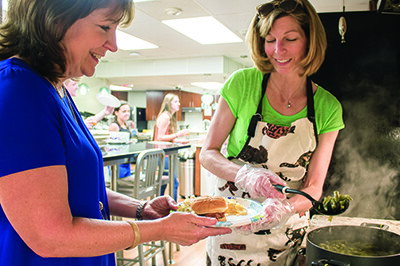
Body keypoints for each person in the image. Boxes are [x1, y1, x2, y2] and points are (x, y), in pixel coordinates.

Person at [0, 1, 231, 265]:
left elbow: (73, 187)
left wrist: (140, 209)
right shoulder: (19, 91)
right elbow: (50, 235)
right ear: (55, 20)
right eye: (105, 27)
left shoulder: (55, 88)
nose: (113, 45)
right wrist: (161, 229)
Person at [200, 0, 345, 265]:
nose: (277, 51)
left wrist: (284, 208)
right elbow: (207, 154)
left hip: (284, 234)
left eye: (290, 39)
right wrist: (244, 174)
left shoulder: (328, 107)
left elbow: (313, 187)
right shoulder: (242, 84)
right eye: (269, 40)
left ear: (310, 41)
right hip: (233, 225)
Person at [153, 93, 190, 201]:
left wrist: (177, 141)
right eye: (176, 102)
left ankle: (158, 205)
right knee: (174, 182)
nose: (179, 104)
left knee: (163, 183)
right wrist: (179, 134)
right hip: (164, 155)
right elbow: (160, 137)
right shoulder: (165, 117)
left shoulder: (168, 116)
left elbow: (165, 137)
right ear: (168, 103)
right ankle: (172, 208)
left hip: (165, 154)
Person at [108, 101, 136, 178]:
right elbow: (112, 144)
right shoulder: (114, 126)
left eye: (128, 111)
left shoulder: (126, 126)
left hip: (126, 161)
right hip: (117, 162)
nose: (127, 113)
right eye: (124, 111)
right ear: (116, 112)